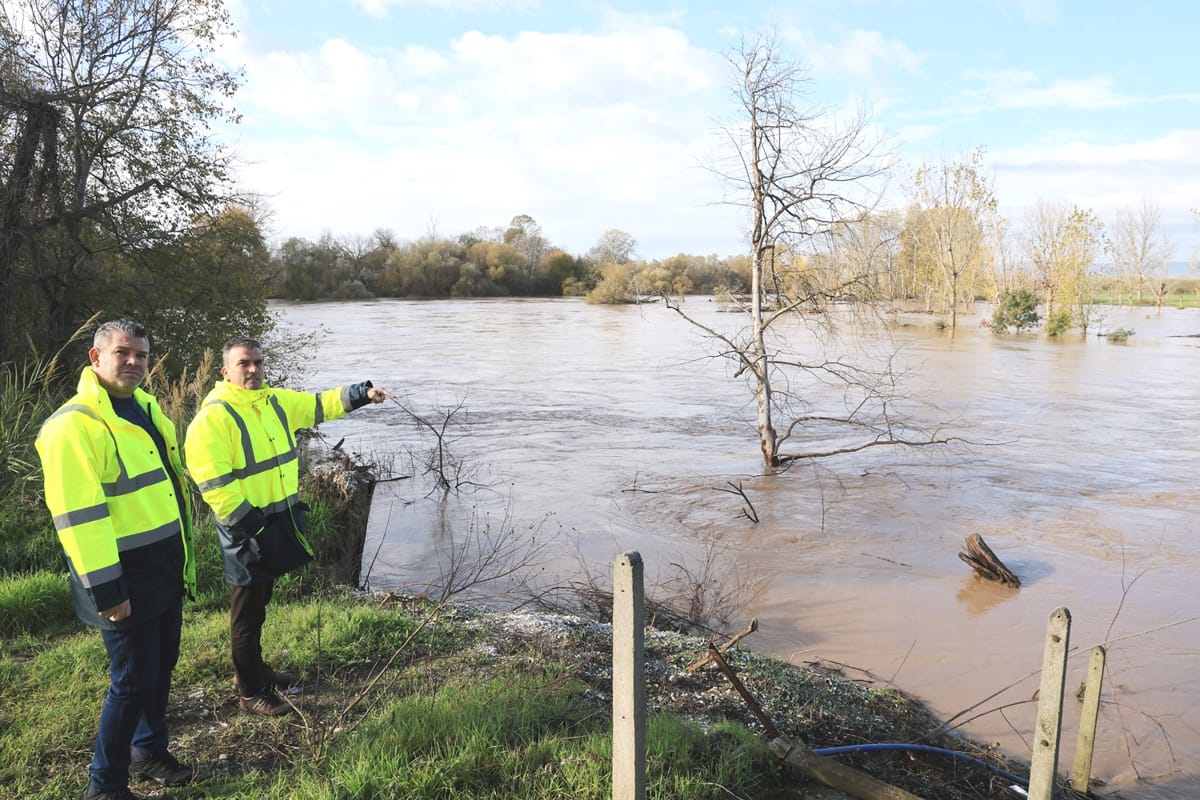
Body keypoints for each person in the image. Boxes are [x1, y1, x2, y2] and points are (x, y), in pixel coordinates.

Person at [184, 336, 392, 716]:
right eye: (244, 363)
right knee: (246, 613)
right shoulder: (213, 417)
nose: (253, 370)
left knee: (261, 603)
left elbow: (320, 404)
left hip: (275, 519)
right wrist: (250, 524)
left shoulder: (275, 402)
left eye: (258, 363)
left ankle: (254, 671)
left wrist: (363, 393)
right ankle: (250, 693)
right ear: (225, 371)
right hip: (245, 528)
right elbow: (211, 481)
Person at [35, 320, 196, 800]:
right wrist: (108, 590)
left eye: (142, 355)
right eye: (123, 353)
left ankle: (149, 751)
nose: (133, 362)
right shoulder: (73, 425)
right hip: (121, 576)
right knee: (131, 681)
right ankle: (104, 784)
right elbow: (79, 518)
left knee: (162, 665)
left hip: (163, 566)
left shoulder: (143, 406)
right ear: (95, 357)